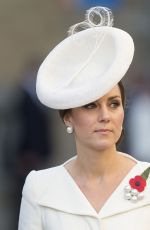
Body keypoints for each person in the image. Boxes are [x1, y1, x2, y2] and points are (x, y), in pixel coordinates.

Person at [18, 6, 150, 230]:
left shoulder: (147, 180)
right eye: (90, 106)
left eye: (114, 104)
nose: (105, 116)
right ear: (68, 117)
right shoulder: (39, 187)